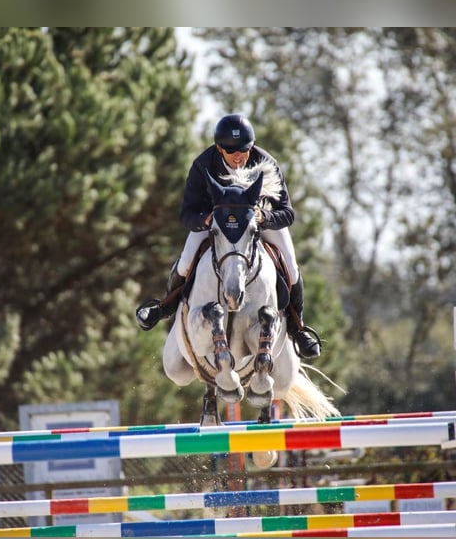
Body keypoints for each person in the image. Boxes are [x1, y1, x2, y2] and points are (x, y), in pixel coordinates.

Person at [135, 113, 321, 359]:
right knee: (186, 261)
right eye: (231, 151)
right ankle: (164, 307)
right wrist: (205, 220)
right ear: (219, 148)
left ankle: (298, 328)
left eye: (243, 151)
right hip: (217, 224)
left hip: (258, 221)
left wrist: (264, 217)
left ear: (251, 146)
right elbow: (186, 213)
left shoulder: (267, 163)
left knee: (291, 265)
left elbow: (287, 213)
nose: (238, 157)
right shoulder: (203, 165)